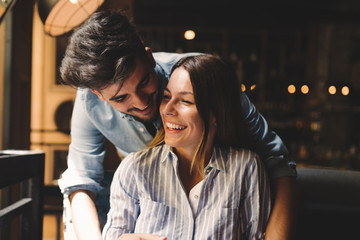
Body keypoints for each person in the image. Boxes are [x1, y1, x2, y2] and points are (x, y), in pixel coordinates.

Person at [58, 10, 297, 240]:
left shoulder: (204, 80)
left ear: (149, 57)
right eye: (121, 98)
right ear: (98, 95)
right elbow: (81, 180)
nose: (141, 103)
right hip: (148, 196)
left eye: (144, 83)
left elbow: (279, 163)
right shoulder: (93, 106)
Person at [102, 54, 272, 240]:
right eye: (166, 97)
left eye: (186, 101)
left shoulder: (247, 168)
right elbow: (114, 235)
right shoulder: (134, 168)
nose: (167, 110)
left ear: (216, 114)